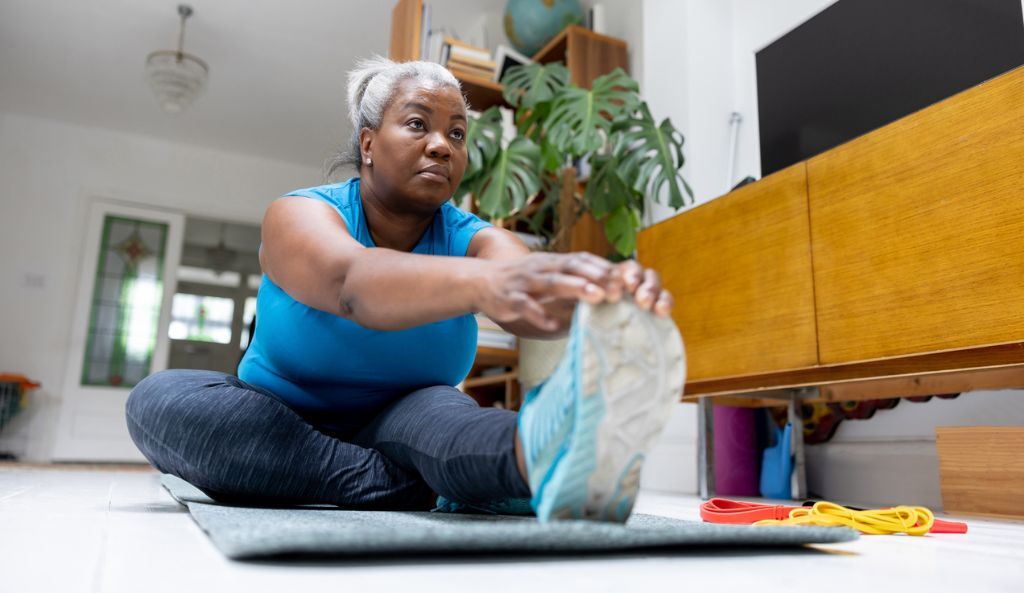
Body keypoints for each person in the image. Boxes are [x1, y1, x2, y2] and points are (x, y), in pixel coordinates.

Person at [126, 57, 685, 523]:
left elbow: (531, 294)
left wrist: (603, 296)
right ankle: (422, 488)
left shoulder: (476, 239)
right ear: (368, 143)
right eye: (419, 124)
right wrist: (493, 282)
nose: (443, 146)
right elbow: (352, 284)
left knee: (456, 423)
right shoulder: (300, 213)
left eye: (458, 134)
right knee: (159, 403)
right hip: (279, 416)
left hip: (409, 416)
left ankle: (545, 455)